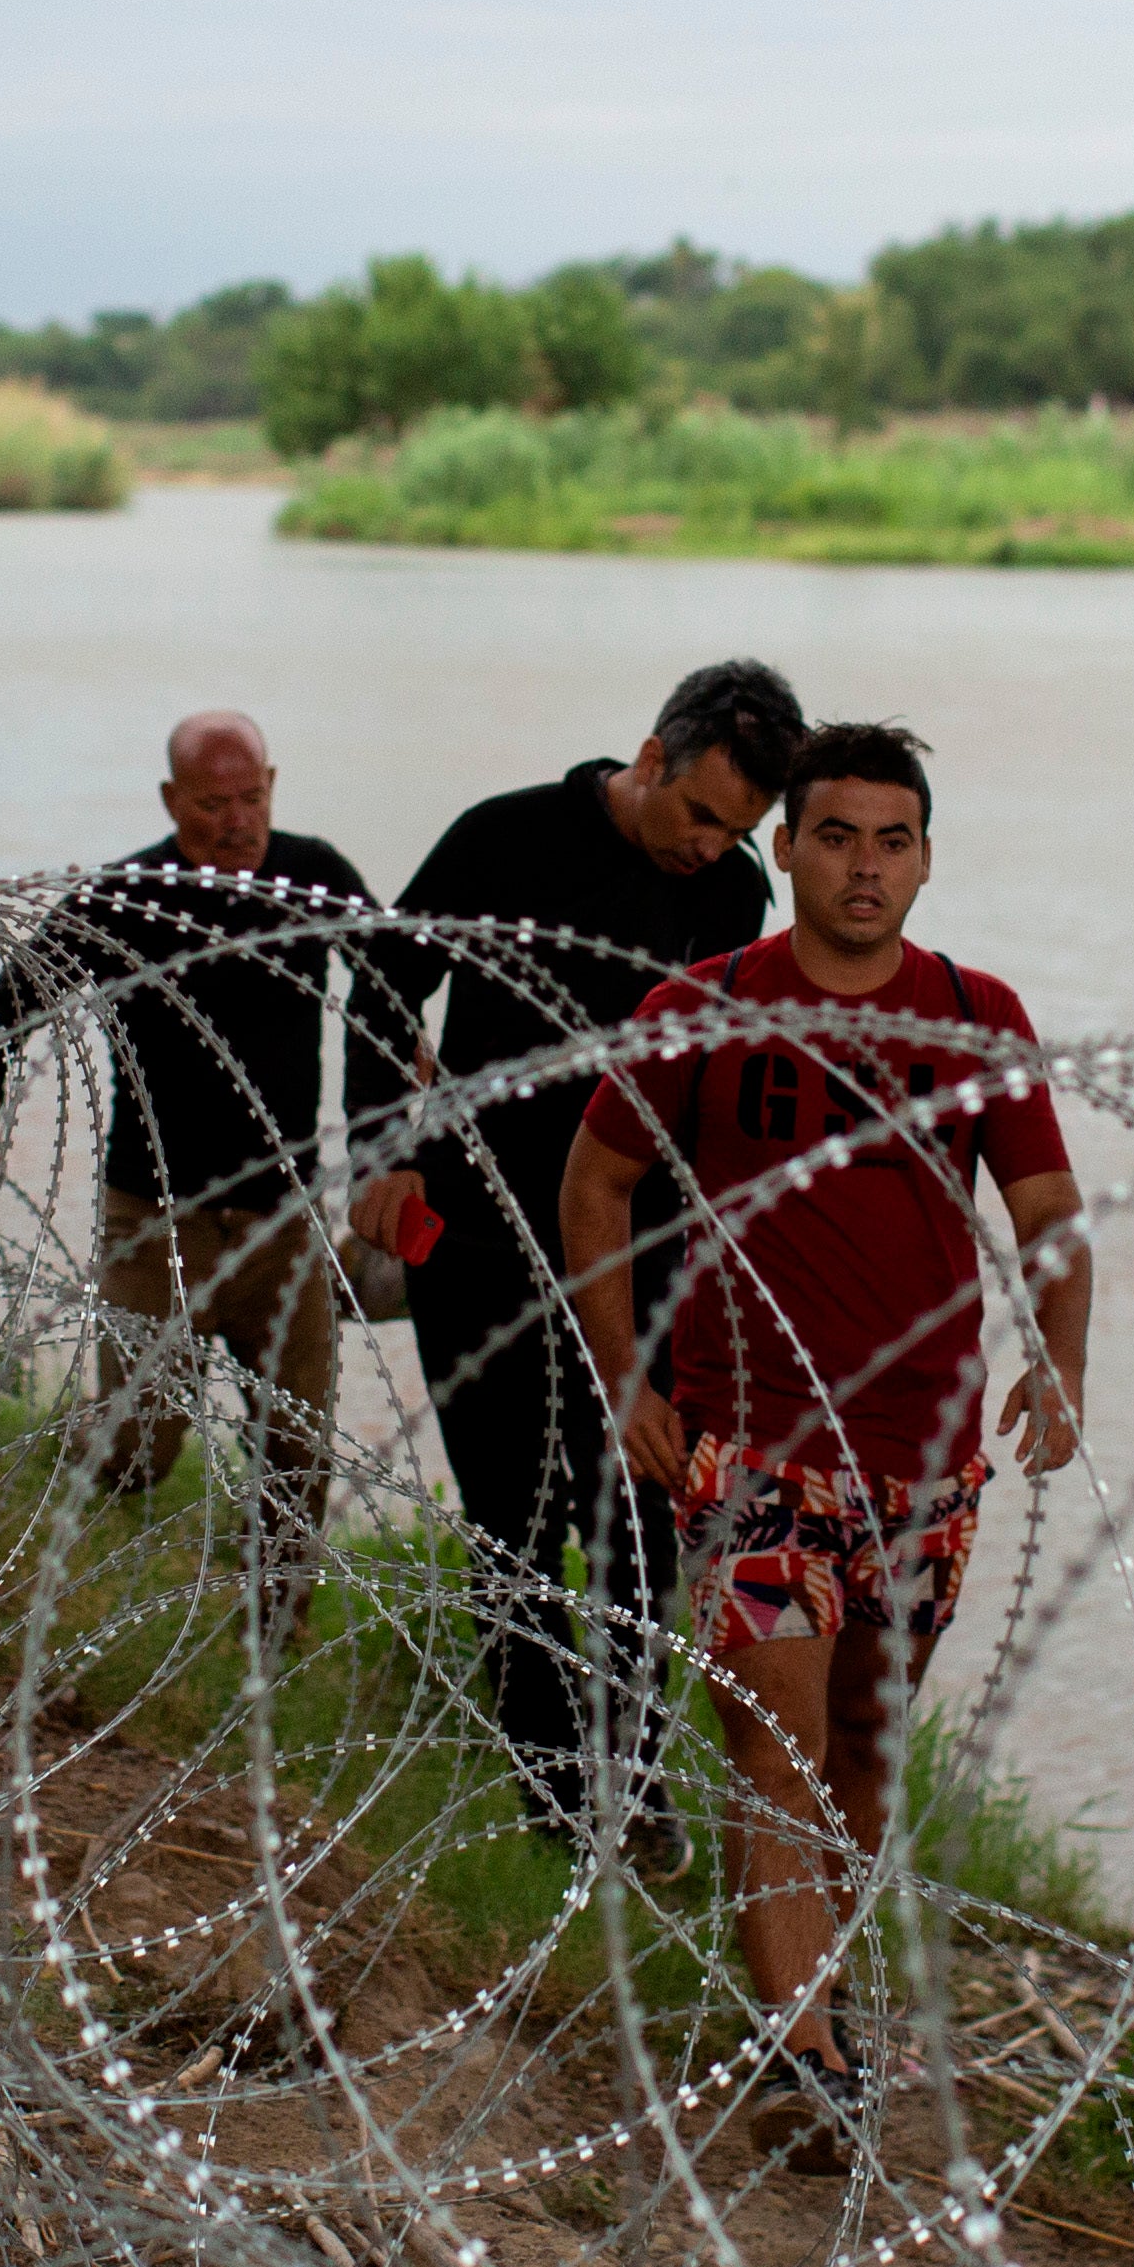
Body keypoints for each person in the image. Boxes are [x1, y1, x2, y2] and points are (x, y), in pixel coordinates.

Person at [556, 722, 1085, 2151]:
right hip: (753, 1457)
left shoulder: (976, 1011)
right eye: (836, 835)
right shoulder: (706, 1003)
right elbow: (592, 1189)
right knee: (777, 1758)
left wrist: (1059, 1358)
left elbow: (1046, 1213)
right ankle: (806, 2059)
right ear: (783, 847)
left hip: (923, 1460)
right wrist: (629, 1378)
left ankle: (822, 2016)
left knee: (861, 1753)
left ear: (925, 857)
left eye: (892, 839)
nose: (865, 866)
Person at [347, 658, 806, 1849]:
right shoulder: (501, 839)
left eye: (740, 829)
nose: (712, 846)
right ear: (651, 757)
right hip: (482, 1243)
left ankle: (636, 1784)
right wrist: (379, 1153)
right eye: (701, 813)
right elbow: (382, 991)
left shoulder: (731, 897)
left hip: (642, 1260)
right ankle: (554, 1799)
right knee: (517, 1520)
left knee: (643, 1529)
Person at [1, 710, 380, 1638]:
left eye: (252, 797)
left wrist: (402, 1067)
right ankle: (64, 1463)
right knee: (139, 1445)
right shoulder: (129, 894)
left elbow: (389, 971)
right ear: (173, 801)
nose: (237, 820)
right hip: (156, 1217)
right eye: (214, 803)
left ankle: (275, 1627)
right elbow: (12, 998)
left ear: (273, 787)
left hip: (281, 1216)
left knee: (295, 1441)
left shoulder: (316, 870)